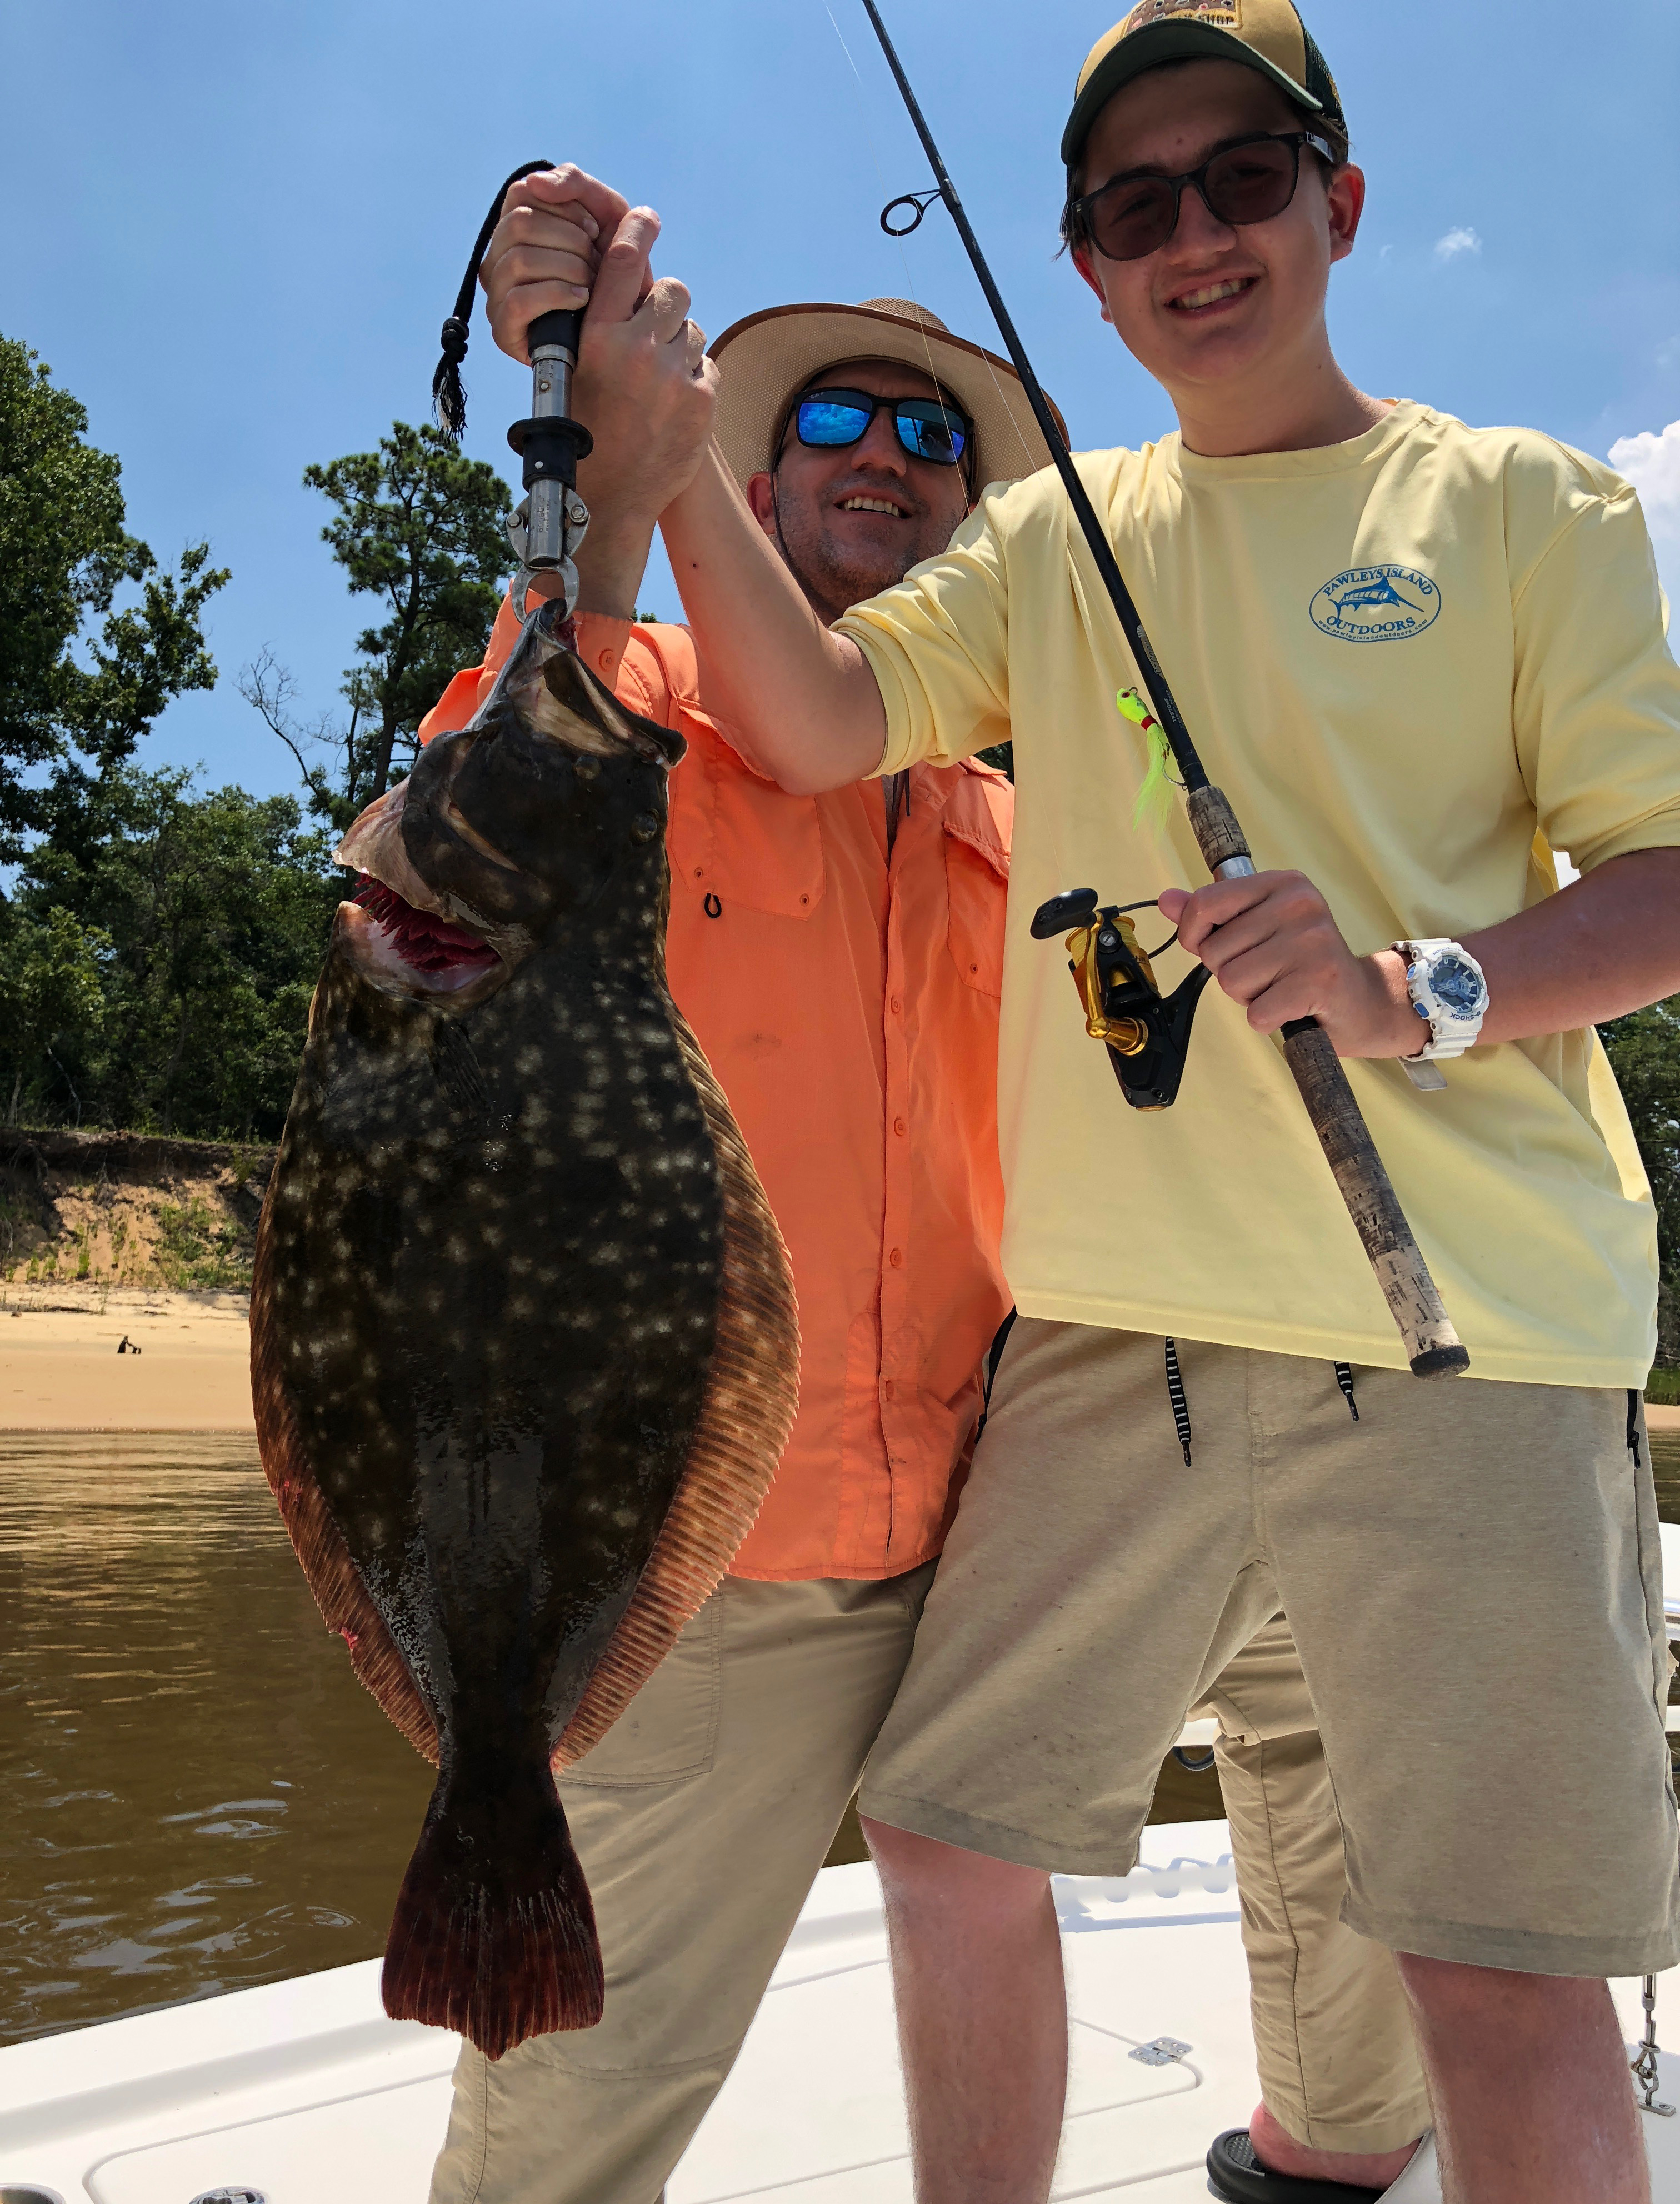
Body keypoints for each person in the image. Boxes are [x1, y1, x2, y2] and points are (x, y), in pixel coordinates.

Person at [500, 8, 1680, 2201]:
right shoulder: (1043, 557)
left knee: (1493, 1967)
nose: (1195, 235)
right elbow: (784, 713)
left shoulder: (1528, 499)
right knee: (952, 1835)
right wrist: (629, 458)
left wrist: (1421, 984)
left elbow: (1664, 870)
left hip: (1464, 1320)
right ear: (1088, 260)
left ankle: (1333, 2147)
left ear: (1338, 199)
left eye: (1243, 178)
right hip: (1105, 1342)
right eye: (1135, 205)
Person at [426, 173, 1436, 2202]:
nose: (885, 457)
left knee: (1326, 1704)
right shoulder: (618, 713)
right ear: (749, 460)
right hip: (711, 1539)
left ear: (973, 507)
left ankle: (1334, 2145)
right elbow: (532, 718)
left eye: (930, 437)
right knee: (572, 2075)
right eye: (828, 424)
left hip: (1039, 1485)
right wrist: (602, 420)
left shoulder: (1044, 788)